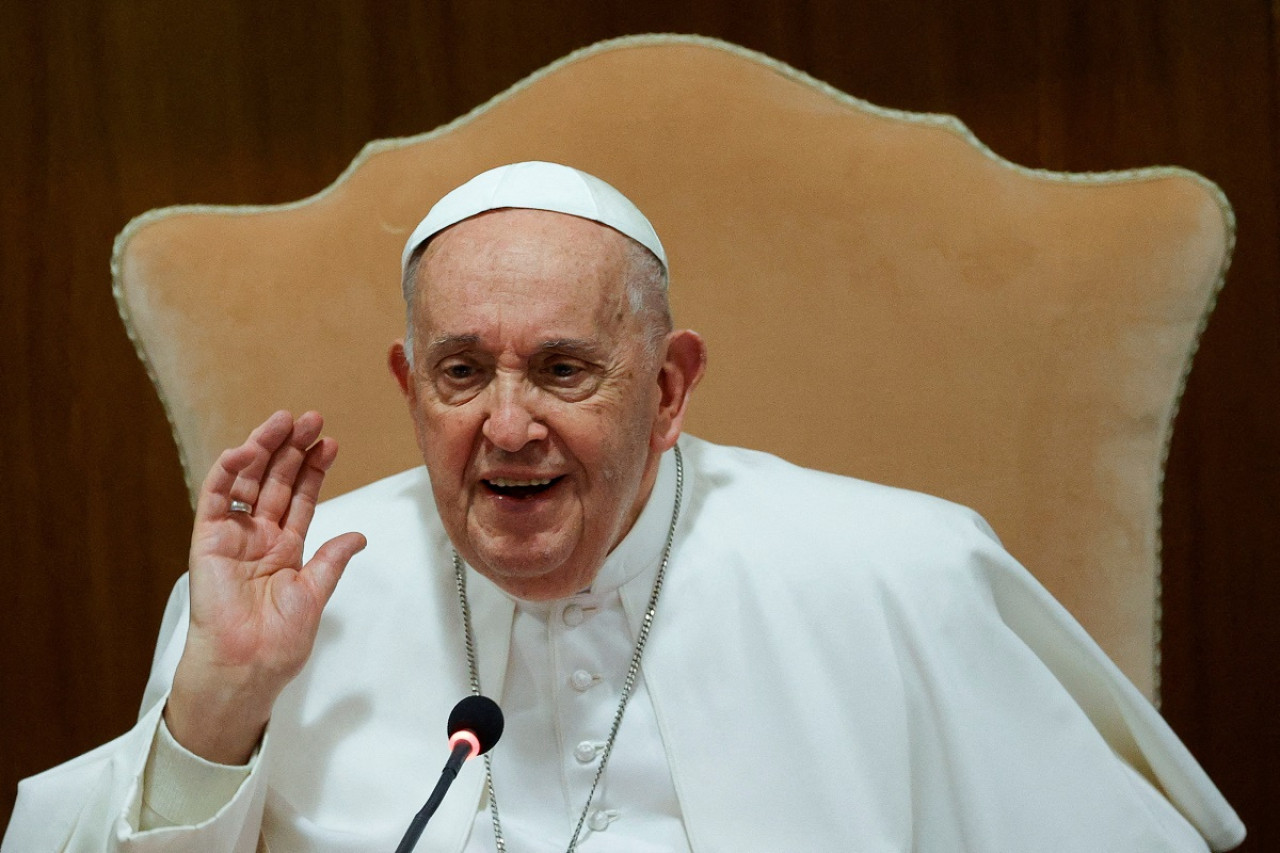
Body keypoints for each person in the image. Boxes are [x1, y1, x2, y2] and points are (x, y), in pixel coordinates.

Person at [3, 161, 1245, 852]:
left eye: (561, 368)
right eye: (459, 371)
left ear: (667, 387)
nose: (505, 425)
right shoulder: (284, 608)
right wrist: (218, 707)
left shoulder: (894, 575)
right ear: (407, 384)